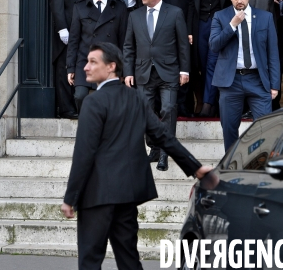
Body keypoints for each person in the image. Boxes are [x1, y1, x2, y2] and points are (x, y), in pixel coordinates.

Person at [61, 42, 212, 270]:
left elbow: (84, 153)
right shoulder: (136, 98)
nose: (85, 67)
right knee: (129, 259)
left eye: (93, 62)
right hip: (126, 195)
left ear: (112, 66)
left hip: (97, 195)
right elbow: (163, 136)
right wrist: (195, 167)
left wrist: (70, 197)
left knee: (90, 261)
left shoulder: (92, 102)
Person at [123, 0, 190, 171]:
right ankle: (153, 148)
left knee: (168, 109)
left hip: (169, 71)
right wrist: (128, 71)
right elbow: (128, 46)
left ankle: (164, 153)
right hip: (143, 72)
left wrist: (185, 70)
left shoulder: (175, 13)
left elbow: (183, 45)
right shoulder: (134, 15)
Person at [209, 0, 280, 150]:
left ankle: (261, 165)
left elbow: (273, 54)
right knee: (229, 129)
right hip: (230, 81)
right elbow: (214, 45)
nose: (239, 1)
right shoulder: (220, 17)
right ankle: (232, 168)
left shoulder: (265, 17)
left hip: (258, 80)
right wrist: (232, 25)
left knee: (265, 128)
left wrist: (275, 85)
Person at [148, 0, 200, 117]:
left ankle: (185, 108)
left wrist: (190, 28)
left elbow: (194, 0)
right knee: (164, 64)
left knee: (185, 64)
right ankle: (163, 108)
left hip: (186, 21)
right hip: (162, 22)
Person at [66, 0, 128, 113]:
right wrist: (70, 67)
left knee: (110, 100)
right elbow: (74, 40)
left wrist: (123, 69)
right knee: (80, 96)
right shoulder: (80, 7)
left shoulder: (119, 7)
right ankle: (89, 124)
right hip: (85, 60)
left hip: (109, 62)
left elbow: (124, 40)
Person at [187, 0, 233, 117]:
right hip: (201, 25)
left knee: (213, 63)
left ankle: (207, 104)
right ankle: (210, 103)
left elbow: (230, 4)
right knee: (202, 64)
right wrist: (189, 30)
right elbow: (192, 4)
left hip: (219, 25)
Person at [48, 0, 88, 119]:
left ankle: (80, 106)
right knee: (65, 69)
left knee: (80, 67)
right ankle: (66, 108)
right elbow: (56, 5)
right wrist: (62, 29)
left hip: (83, 31)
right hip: (67, 33)